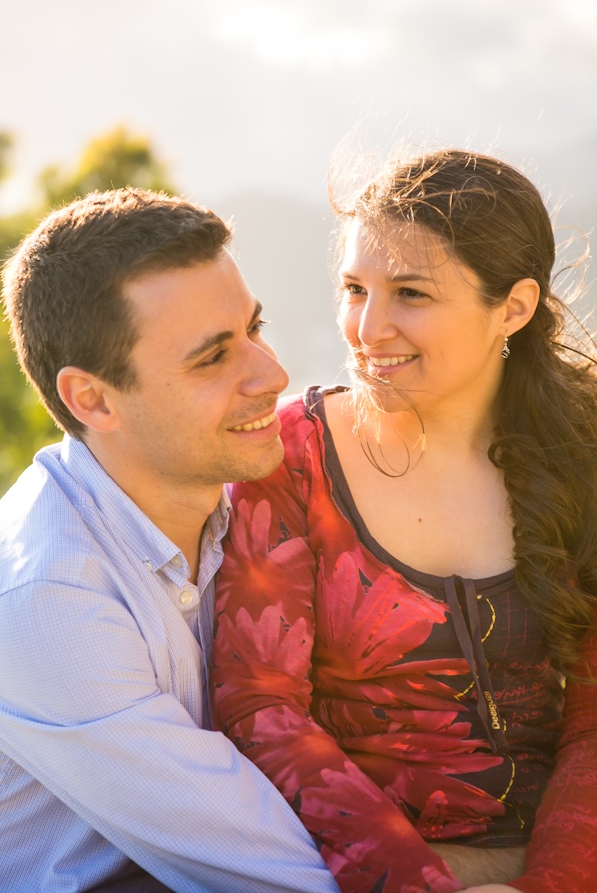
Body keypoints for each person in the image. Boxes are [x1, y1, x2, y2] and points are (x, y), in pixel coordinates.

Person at [212, 150, 597, 893]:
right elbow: (261, 709)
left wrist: (544, 883)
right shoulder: (292, 457)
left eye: (411, 293)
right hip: (365, 870)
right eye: (354, 290)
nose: (368, 328)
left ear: (514, 308)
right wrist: (421, 882)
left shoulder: (584, 452)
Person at [0, 188, 339, 892]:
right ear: (93, 399)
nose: (273, 376)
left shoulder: (265, 502)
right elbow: (275, 873)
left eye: (255, 328)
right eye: (212, 359)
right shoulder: (47, 598)